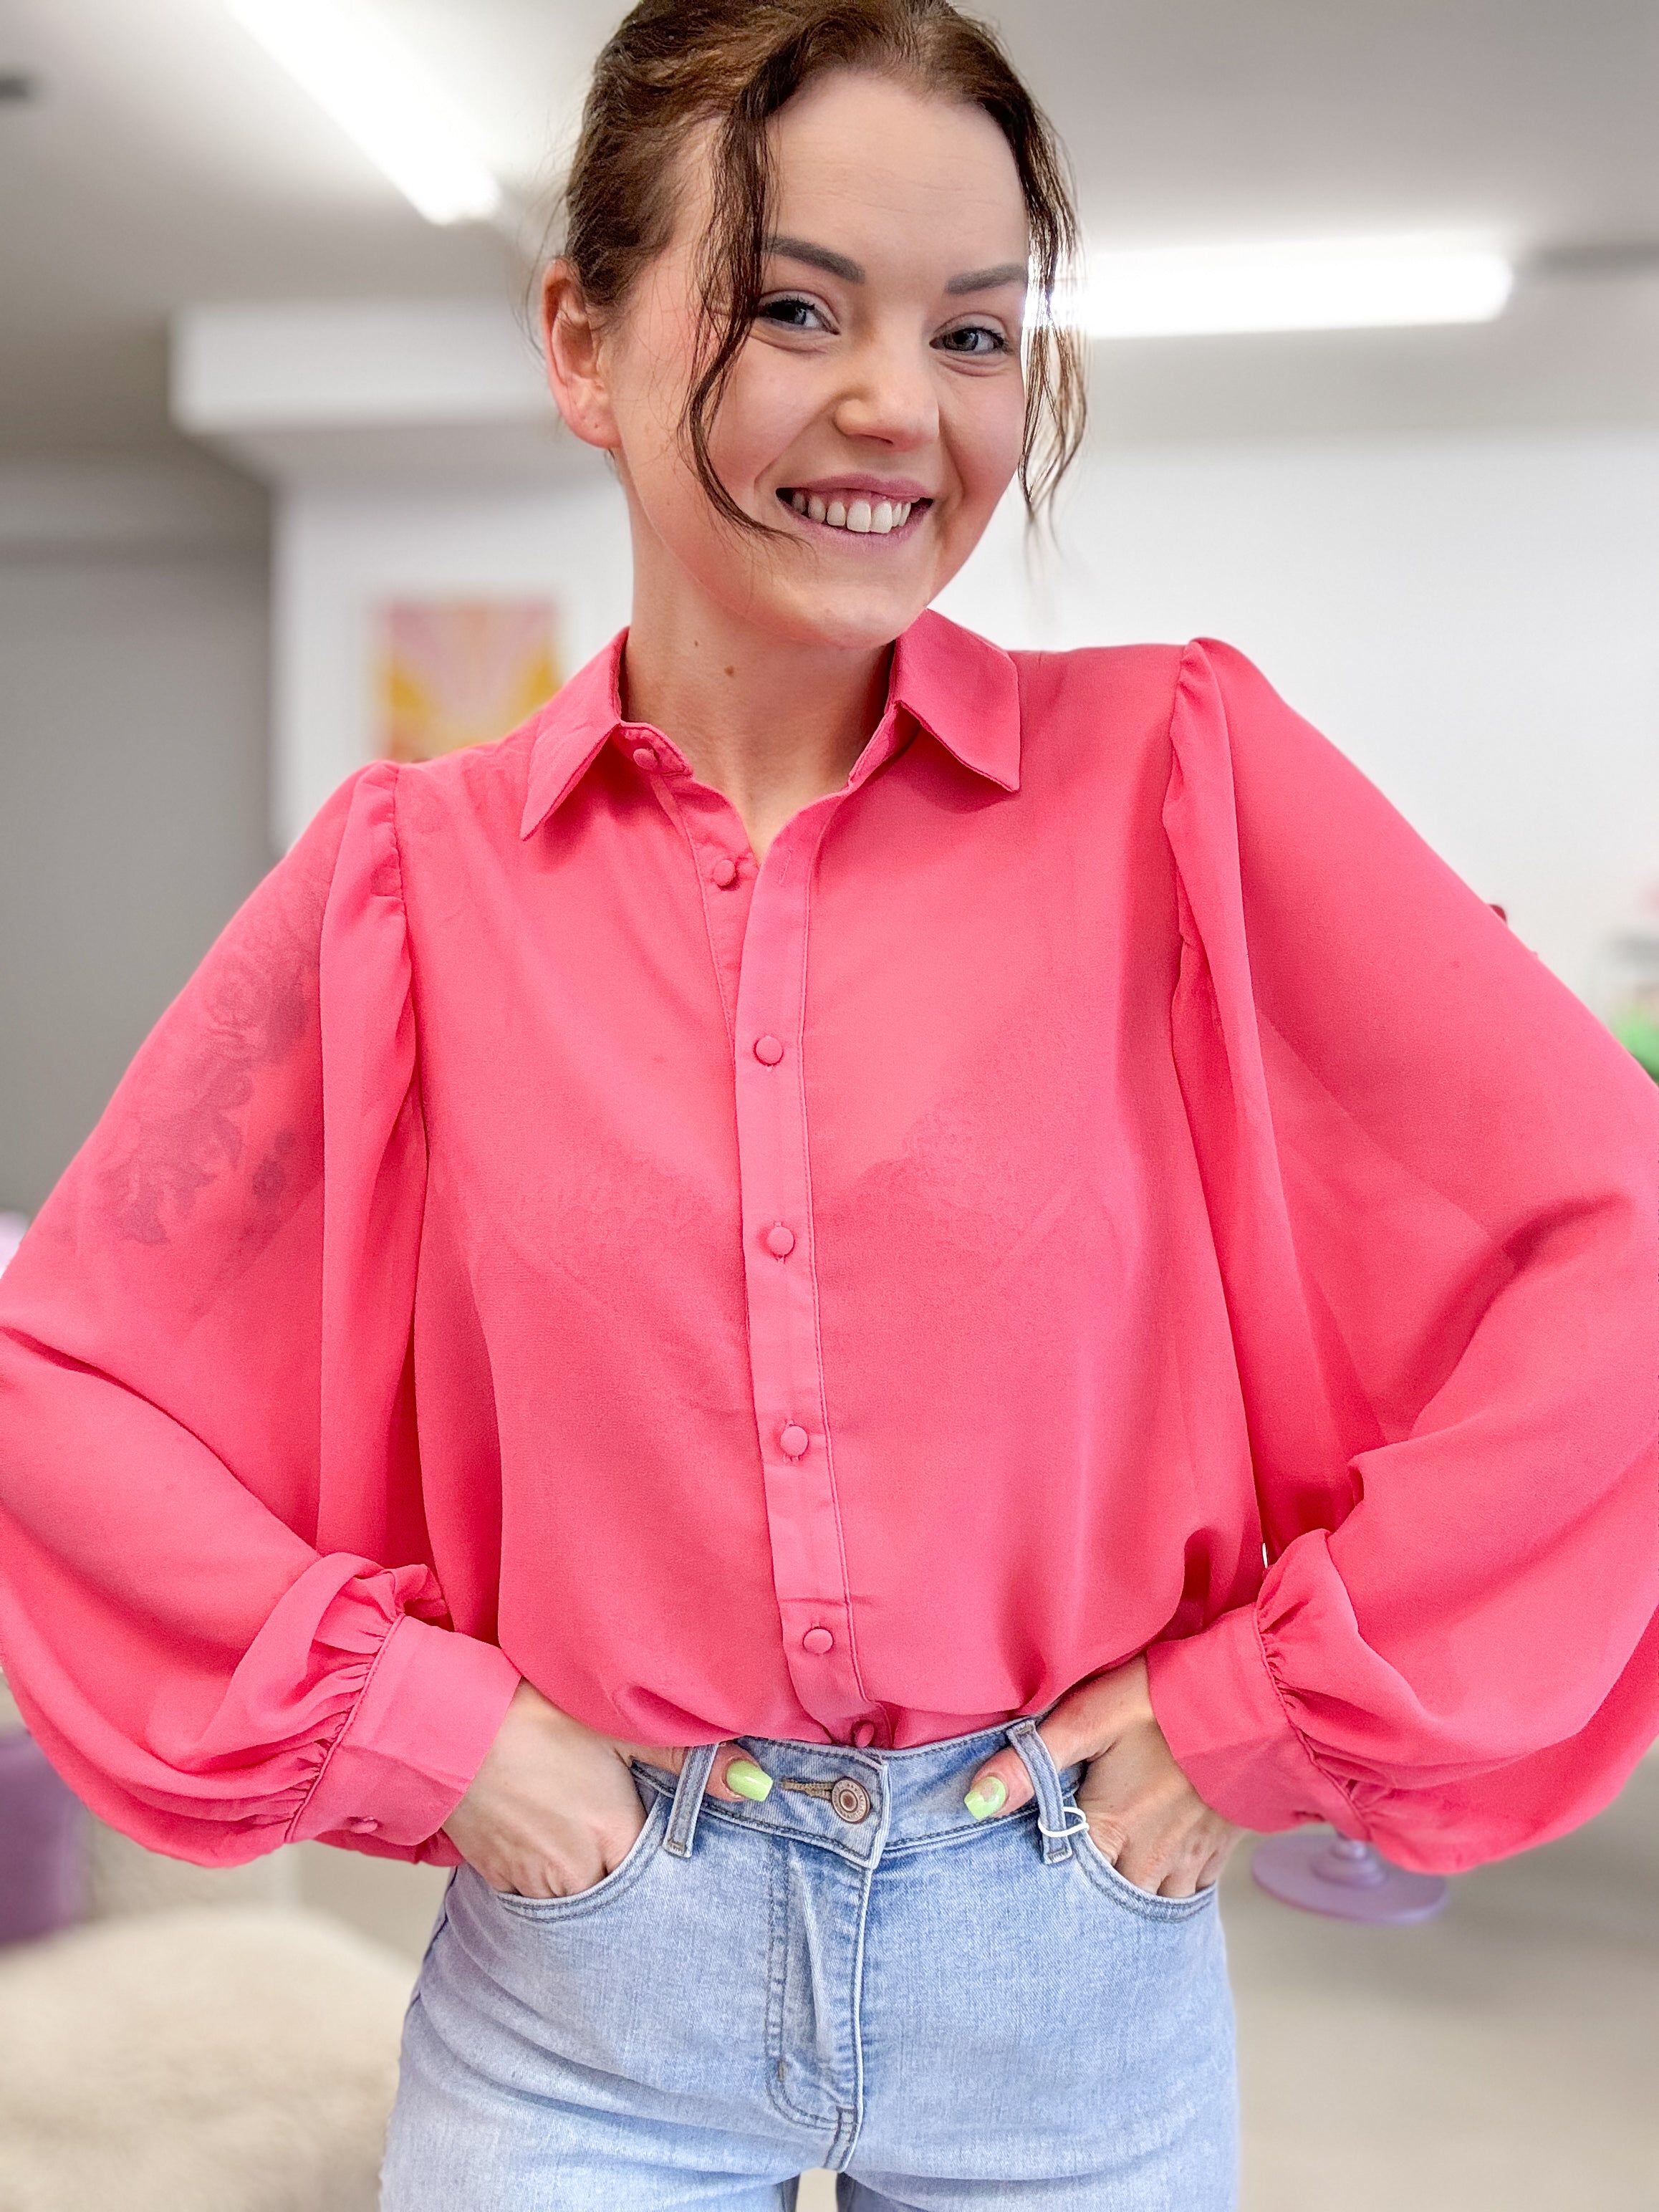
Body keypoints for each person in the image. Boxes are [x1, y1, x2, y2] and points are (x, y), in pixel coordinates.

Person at [1, 1, 1656, 2204]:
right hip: (583, 1984)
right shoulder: (408, 880)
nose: (900, 407)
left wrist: (1245, 1715)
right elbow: (62, 1379)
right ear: (582, 345)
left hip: (1063, 1963)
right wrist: (438, 1730)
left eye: (977, 337)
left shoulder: (1178, 780)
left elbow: (1616, 1253)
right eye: (795, 307)